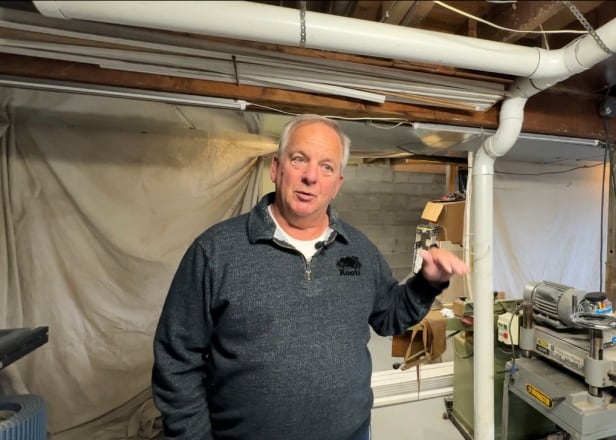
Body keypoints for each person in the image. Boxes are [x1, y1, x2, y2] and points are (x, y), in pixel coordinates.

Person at [152, 114, 469, 440]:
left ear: (337, 185)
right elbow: (176, 359)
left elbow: (389, 317)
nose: (311, 177)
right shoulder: (215, 251)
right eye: (299, 159)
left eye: (327, 167)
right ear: (277, 169)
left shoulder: (359, 250)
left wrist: (427, 282)